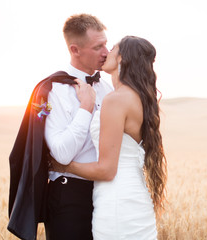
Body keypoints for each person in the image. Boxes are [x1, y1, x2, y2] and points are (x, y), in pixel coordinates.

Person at [51, 36, 167, 239]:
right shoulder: (139, 97)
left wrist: (62, 166)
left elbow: (106, 170)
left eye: (112, 48)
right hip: (134, 197)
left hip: (117, 202)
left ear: (123, 58)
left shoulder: (115, 100)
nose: (106, 52)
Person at [43, 14, 113, 239]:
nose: (107, 52)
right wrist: (86, 107)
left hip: (108, 195)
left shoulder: (108, 88)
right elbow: (62, 154)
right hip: (69, 197)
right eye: (98, 47)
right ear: (75, 50)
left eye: (106, 44)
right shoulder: (52, 90)